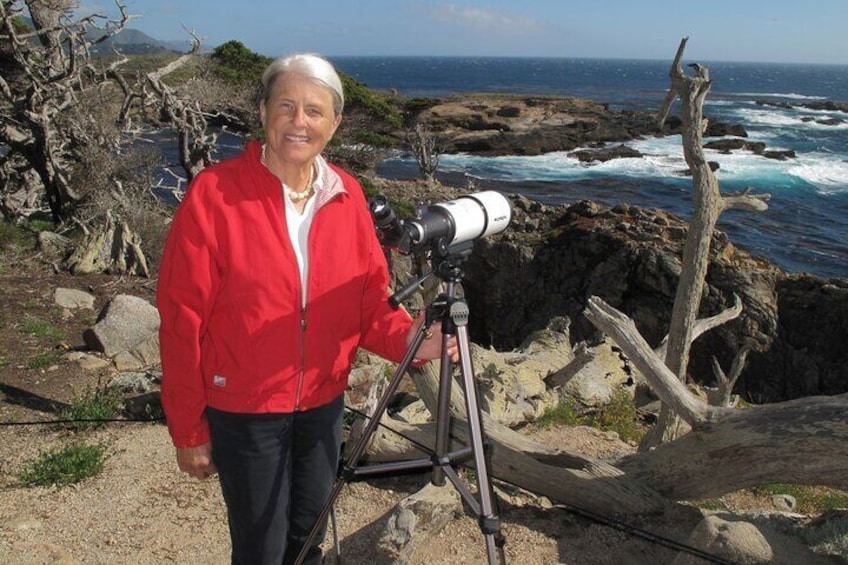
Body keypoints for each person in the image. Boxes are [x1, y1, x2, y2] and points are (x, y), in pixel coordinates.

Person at [157, 52, 456, 565]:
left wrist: (412, 339)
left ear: (334, 123)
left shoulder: (347, 195)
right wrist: (188, 429)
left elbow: (367, 305)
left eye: (315, 111)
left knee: (308, 537)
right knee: (262, 550)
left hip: (321, 406)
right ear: (263, 111)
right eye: (287, 106)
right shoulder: (215, 195)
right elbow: (182, 321)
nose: (300, 122)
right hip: (244, 411)